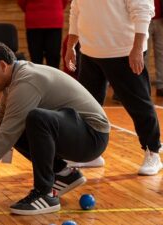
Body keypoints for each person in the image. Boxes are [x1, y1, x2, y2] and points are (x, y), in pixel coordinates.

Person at [0, 42, 110, 215]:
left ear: (2, 65)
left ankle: (45, 194)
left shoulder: (26, 82)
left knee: (36, 119)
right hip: (78, 131)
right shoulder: (15, 78)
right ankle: (63, 174)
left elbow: (5, 136)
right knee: (20, 122)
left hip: (92, 136)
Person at [65, 0, 162, 175]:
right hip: (89, 52)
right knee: (87, 108)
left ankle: (153, 152)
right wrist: (71, 45)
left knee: (139, 105)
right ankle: (90, 154)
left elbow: (143, 10)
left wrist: (138, 49)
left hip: (124, 52)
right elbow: (76, 10)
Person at [17, 0, 68, 69]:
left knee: (37, 57)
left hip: (38, 19)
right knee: (52, 58)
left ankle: (41, 78)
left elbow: (22, 2)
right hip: (50, 19)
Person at [149, 0, 163, 96]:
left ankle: (161, 86)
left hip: (160, 20)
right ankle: (144, 87)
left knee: (162, 53)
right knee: (142, 55)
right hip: (144, 19)